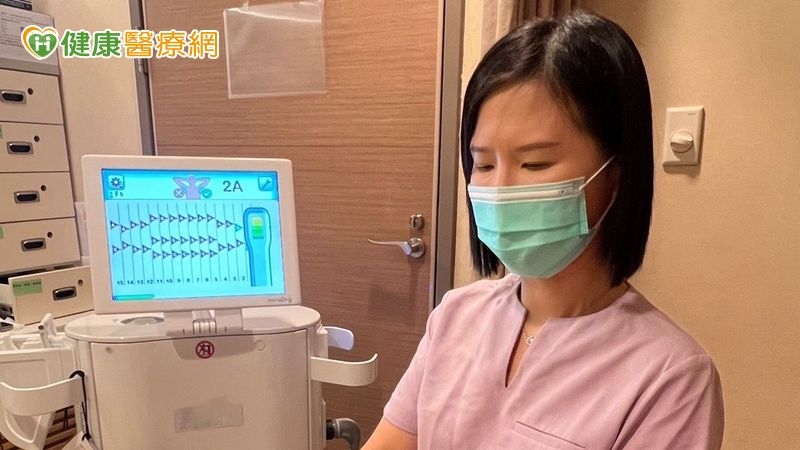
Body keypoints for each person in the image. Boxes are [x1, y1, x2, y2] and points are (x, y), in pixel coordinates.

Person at [363, 10, 724, 450]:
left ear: (616, 173)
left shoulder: (670, 378)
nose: (500, 190)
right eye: (484, 165)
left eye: (535, 164)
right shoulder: (456, 316)